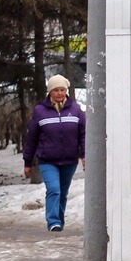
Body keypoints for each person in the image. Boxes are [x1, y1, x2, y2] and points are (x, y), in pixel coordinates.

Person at [22, 74, 86, 232]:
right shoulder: (40, 111)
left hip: (69, 160)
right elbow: (32, 138)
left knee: (62, 193)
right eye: (56, 90)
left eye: (62, 90)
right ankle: (53, 221)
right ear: (50, 92)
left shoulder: (75, 110)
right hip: (47, 160)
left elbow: (83, 134)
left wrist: (84, 155)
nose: (59, 93)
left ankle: (59, 222)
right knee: (54, 189)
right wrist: (27, 162)